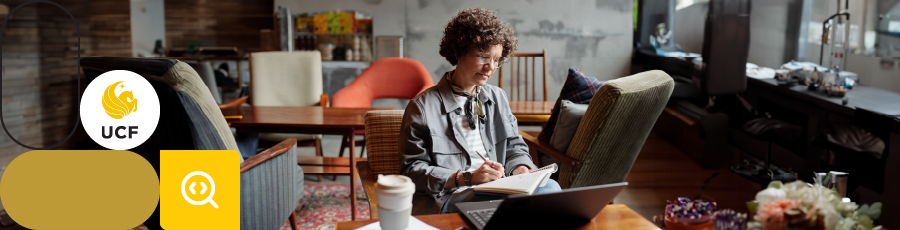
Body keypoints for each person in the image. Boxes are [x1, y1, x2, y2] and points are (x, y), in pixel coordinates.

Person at [399, 7, 561, 215]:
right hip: (448, 199)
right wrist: (468, 177)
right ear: (459, 51)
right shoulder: (422, 107)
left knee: (550, 190)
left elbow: (513, 145)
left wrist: (520, 168)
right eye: (483, 56)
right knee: (546, 195)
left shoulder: (497, 97)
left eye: (496, 59)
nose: (490, 67)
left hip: (499, 189)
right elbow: (412, 171)